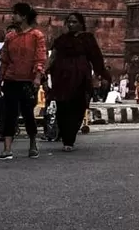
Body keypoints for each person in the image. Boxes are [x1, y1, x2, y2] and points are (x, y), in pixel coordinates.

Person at [44, 12, 108, 151]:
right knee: (62, 107)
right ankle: (65, 136)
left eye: (74, 22)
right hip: (61, 78)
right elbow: (53, 56)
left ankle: (69, 139)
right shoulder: (61, 40)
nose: (71, 25)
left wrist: (100, 75)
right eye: (69, 22)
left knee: (77, 107)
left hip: (80, 78)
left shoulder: (87, 39)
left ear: (81, 24)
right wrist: (44, 70)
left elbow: (96, 57)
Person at [0, 2, 46, 161]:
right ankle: (7, 148)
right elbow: (4, 60)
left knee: (28, 113)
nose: (13, 16)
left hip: (28, 81)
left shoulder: (37, 36)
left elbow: (40, 58)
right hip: (11, 80)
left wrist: (37, 77)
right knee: (9, 114)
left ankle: (33, 143)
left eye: (15, 14)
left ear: (23, 16)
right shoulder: (10, 37)